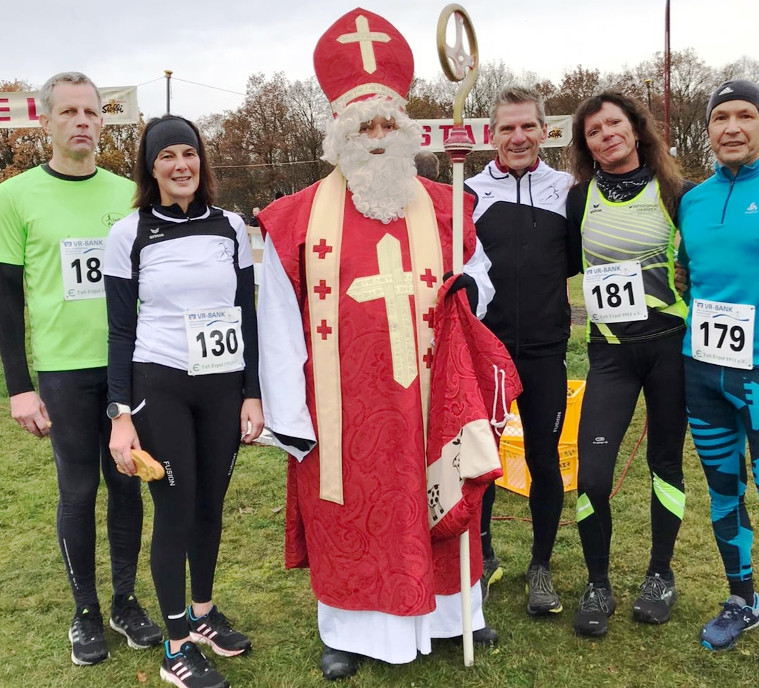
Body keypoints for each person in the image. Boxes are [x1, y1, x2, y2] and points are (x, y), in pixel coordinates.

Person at [256, 8, 497, 681]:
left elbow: (481, 287)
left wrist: (468, 294)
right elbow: (275, 324)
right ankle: (349, 632)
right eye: (365, 125)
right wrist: (289, 419)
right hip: (343, 413)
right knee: (350, 516)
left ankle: (455, 618)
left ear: (408, 129)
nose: (379, 134)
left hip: (430, 396)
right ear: (339, 136)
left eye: (389, 121)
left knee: (445, 502)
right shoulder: (291, 220)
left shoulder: (447, 202)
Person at [0, 71, 162, 666]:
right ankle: (84, 612)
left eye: (91, 112)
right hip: (64, 372)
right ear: (45, 122)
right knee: (77, 490)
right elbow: (6, 300)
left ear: (103, 119)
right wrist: (20, 387)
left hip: (127, 367)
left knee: (127, 481)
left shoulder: (127, 193)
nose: (82, 123)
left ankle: (124, 602)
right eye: (67, 113)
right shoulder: (14, 196)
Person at [104, 114, 264, 688]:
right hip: (160, 382)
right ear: (152, 168)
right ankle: (175, 647)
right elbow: (120, 331)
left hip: (221, 386)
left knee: (210, 507)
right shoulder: (130, 233)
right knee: (175, 509)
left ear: (202, 161)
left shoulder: (229, 226)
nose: (181, 166)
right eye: (167, 156)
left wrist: (253, 393)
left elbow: (248, 313)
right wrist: (120, 415)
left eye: (189, 154)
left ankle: (201, 616)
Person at [678, 80, 759, 688]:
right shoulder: (694, 201)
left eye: (744, 115)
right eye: (719, 116)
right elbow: (689, 279)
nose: (731, 126)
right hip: (703, 372)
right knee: (724, 495)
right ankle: (742, 601)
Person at [566, 91, 690, 637]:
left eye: (614, 123)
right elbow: (557, 263)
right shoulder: (578, 199)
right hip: (610, 353)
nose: (606, 134)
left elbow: (704, 254)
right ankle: (598, 583)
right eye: (594, 130)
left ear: (635, 130)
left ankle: (659, 575)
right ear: (585, 144)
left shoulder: (674, 191)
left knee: (665, 464)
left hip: (669, 348)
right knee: (592, 475)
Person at [465, 86, 580, 614]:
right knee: (481, 460)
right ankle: (482, 557)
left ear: (544, 131)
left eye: (527, 127)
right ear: (491, 135)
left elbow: (582, 260)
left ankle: (541, 566)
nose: (518, 137)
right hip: (484, 351)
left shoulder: (567, 190)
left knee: (543, 458)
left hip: (543, 351)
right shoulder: (466, 195)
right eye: (506, 128)